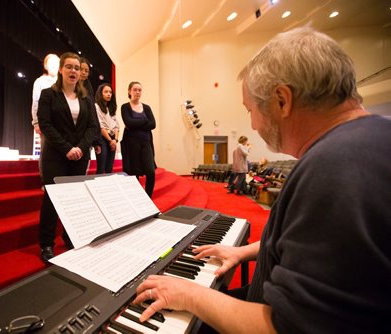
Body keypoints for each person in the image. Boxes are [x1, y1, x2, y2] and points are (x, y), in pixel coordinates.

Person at [133, 26, 391, 333]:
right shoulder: (371, 140)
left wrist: (188, 293)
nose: (253, 124)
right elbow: (328, 249)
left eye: (251, 110)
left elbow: (287, 328)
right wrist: (248, 250)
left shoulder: (333, 169)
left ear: (283, 101)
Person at [37, 52, 98, 262]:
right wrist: (66, 148)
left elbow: (92, 128)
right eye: (69, 67)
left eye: (77, 68)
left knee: (74, 199)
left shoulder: (86, 99)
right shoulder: (48, 95)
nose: (74, 71)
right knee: (52, 200)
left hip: (79, 156)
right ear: (61, 70)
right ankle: (46, 244)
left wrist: (80, 148)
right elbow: (45, 124)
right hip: (56, 155)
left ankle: (70, 236)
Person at [120, 81, 157, 197]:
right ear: (129, 91)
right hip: (132, 144)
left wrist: (135, 124)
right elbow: (128, 122)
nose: (137, 92)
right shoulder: (125, 107)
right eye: (135, 89)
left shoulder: (146, 107)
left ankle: (148, 197)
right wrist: (144, 121)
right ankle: (136, 198)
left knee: (151, 172)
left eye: (139, 90)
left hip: (146, 143)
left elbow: (153, 124)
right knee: (134, 173)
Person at [31, 53, 59, 171]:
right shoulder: (40, 81)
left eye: (57, 63)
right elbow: (36, 102)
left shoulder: (63, 82)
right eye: (51, 63)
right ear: (46, 66)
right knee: (46, 152)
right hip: (46, 123)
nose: (54, 66)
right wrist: (36, 123)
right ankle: (45, 180)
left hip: (62, 123)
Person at [80, 57, 102, 162]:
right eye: (81, 69)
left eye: (87, 71)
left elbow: (93, 114)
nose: (84, 73)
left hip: (86, 134)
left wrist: (96, 140)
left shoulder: (88, 87)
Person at [95, 83, 119, 174]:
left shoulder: (111, 108)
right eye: (106, 92)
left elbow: (116, 125)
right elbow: (100, 126)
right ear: (100, 93)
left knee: (109, 168)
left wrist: (115, 140)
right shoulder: (96, 107)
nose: (109, 94)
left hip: (113, 139)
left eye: (110, 92)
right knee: (101, 168)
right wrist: (110, 140)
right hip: (102, 138)